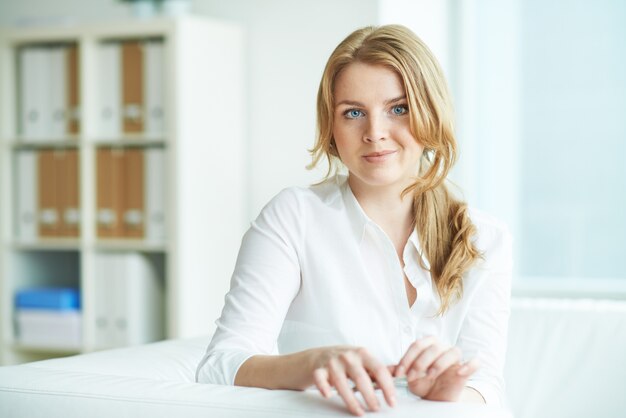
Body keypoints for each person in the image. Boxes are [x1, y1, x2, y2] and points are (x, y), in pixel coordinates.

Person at [196, 24, 512, 416]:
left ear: (431, 113)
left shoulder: (486, 238)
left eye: (399, 109)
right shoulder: (294, 217)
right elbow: (219, 365)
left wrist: (446, 394)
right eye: (354, 113)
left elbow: (487, 389)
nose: (375, 133)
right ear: (332, 127)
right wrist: (311, 365)